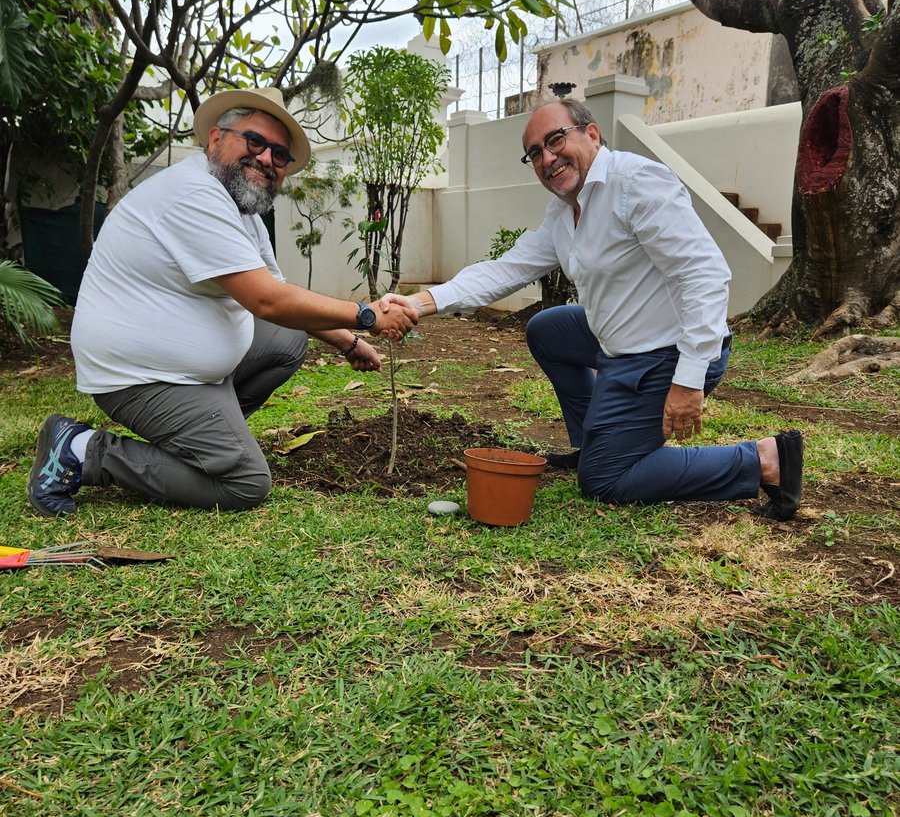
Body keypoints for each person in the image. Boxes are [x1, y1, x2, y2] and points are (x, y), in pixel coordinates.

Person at [385, 98, 803, 519]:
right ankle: (593, 441)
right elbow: (507, 269)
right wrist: (420, 302)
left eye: (554, 140)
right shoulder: (564, 212)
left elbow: (703, 275)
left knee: (605, 479)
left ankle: (765, 460)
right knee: (548, 329)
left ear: (591, 133)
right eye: (534, 153)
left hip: (667, 353)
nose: (547, 158)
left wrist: (689, 379)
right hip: (619, 340)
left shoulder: (637, 183)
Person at [27, 87, 417, 517]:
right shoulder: (194, 194)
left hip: (179, 365)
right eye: (255, 141)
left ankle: (199, 442)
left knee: (287, 341)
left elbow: (282, 297)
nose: (267, 158)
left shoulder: (243, 213)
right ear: (216, 139)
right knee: (245, 484)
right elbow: (267, 301)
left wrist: (348, 342)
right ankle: (82, 450)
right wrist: (367, 316)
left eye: (280, 155)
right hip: (140, 376)